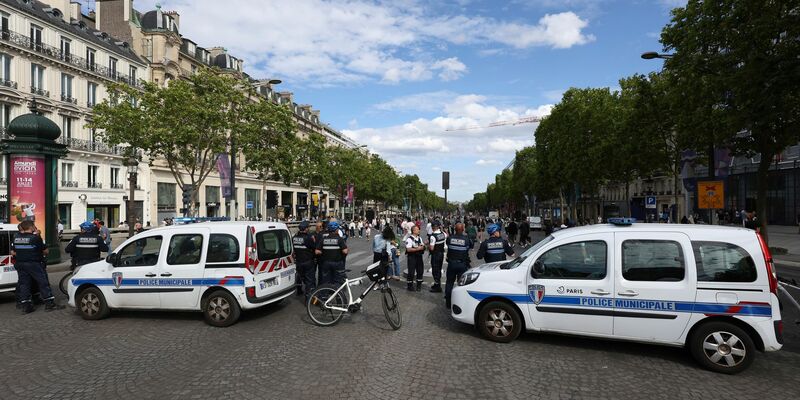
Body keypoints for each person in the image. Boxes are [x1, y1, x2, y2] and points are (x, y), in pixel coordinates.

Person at [12, 221, 63, 313]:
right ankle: (49, 303)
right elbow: (46, 251)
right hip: (34, 263)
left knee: (24, 284)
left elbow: (14, 251)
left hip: (20, 264)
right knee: (43, 282)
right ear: (31, 227)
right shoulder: (35, 238)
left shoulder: (16, 238)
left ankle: (26, 306)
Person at [445, 222, 473, 308]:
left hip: (451, 264)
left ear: (455, 229)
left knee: (449, 283)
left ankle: (448, 303)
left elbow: (448, 245)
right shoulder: (467, 239)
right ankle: (460, 303)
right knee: (461, 284)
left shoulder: (449, 238)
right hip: (462, 265)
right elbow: (470, 247)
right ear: (463, 229)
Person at [315, 221, 348, 286]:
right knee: (337, 280)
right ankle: (337, 294)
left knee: (325, 280)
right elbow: (345, 251)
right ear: (336, 230)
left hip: (326, 263)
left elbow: (317, 251)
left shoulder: (324, 239)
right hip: (337, 263)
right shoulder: (339, 239)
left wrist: (324, 252)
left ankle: (324, 295)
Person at [293, 221, 317, 300]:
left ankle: (299, 290)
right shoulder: (308, 238)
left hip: (299, 262)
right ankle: (309, 299)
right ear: (306, 229)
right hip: (308, 262)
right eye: (308, 227)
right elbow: (314, 248)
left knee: (301, 278)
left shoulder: (294, 238)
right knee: (309, 282)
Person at [404, 225, 425, 291]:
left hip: (419, 257)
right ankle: (410, 286)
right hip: (412, 257)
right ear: (413, 231)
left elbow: (422, 246)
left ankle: (419, 285)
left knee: (420, 271)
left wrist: (423, 247)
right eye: (417, 229)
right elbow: (408, 249)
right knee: (411, 272)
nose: (419, 230)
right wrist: (418, 249)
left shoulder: (419, 238)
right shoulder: (409, 239)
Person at [427, 220, 446, 293]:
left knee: (435, 270)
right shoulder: (443, 233)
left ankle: (437, 287)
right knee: (439, 269)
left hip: (435, 255)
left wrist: (427, 245)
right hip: (441, 254)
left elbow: (431, 248)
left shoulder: (433, 236)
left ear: (432, 227)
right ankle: (437, 284)